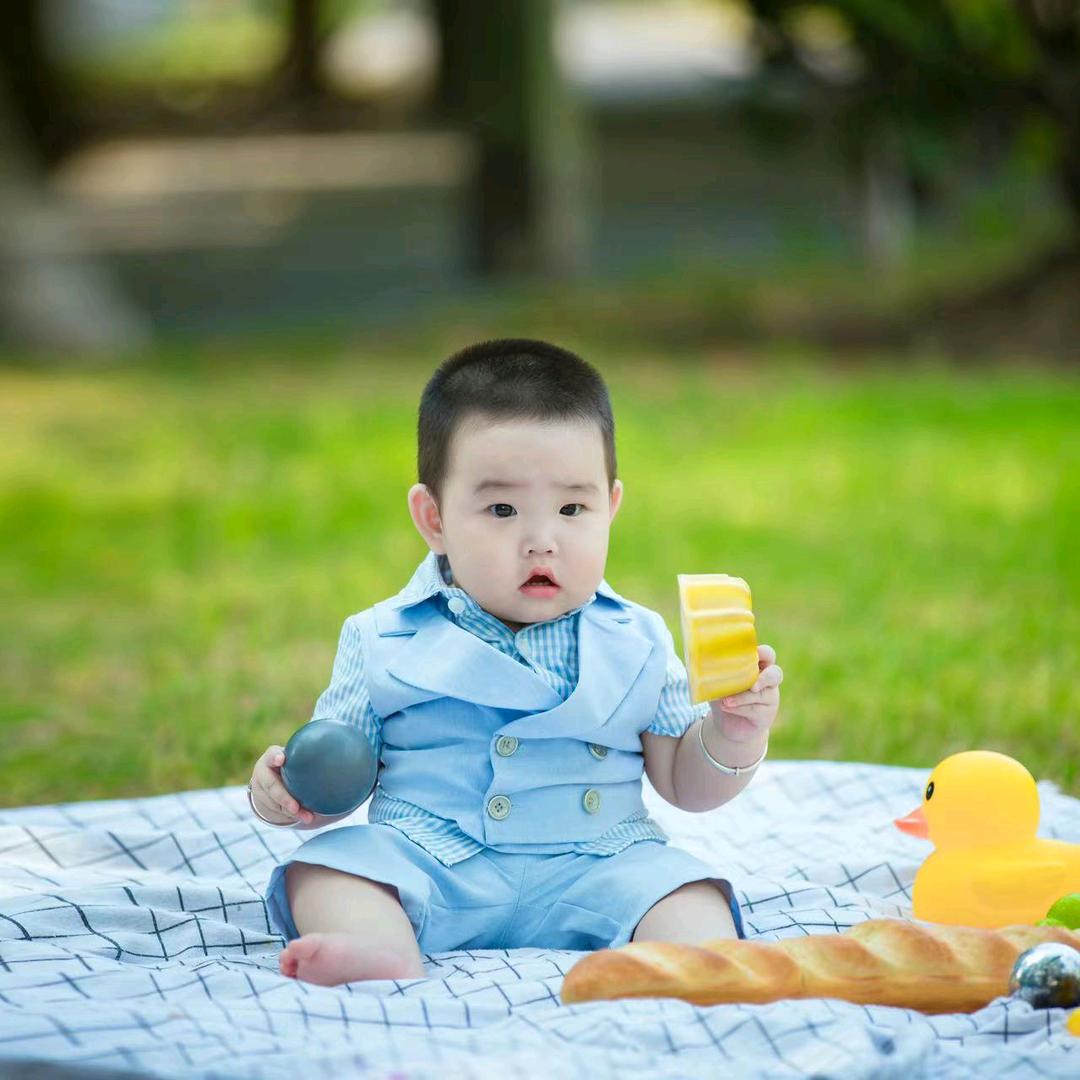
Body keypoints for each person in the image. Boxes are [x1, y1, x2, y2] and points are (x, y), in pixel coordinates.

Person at [249, 338, 783, 986]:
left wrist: (732, 734)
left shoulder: (637, 639)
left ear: (610, 507)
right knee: (324, 869)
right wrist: (291, 792)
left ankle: (681, 967)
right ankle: (381, 948)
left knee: (689, 893)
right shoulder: (382, 637)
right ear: (434, 518)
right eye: (502, 509)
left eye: (572, 508)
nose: (541, 540)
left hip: (597, 864)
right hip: (433, 863)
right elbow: (341, 771)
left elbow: (684, 785)